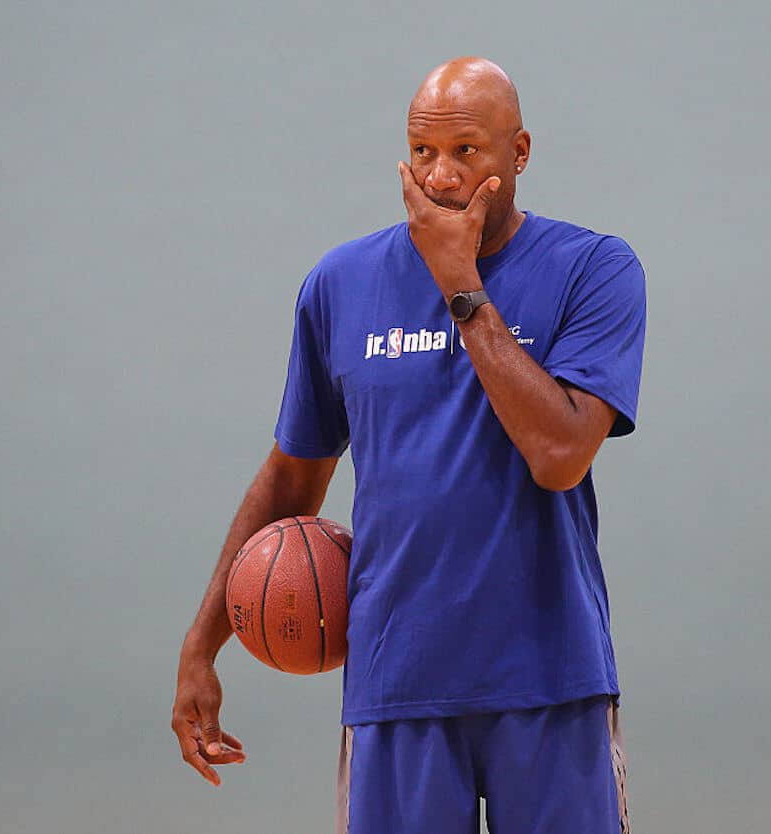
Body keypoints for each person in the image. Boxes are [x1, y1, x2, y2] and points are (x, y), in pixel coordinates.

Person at [171, 56, 645, 834]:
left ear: (518, 153)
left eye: (467, 151)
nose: (441, 174)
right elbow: (293, 476)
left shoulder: (592, 270)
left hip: (551, 676)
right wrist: (202, 645)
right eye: (422, 151)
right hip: (398, 680)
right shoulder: (341, 283)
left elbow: (561, 457)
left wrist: (461, 285)